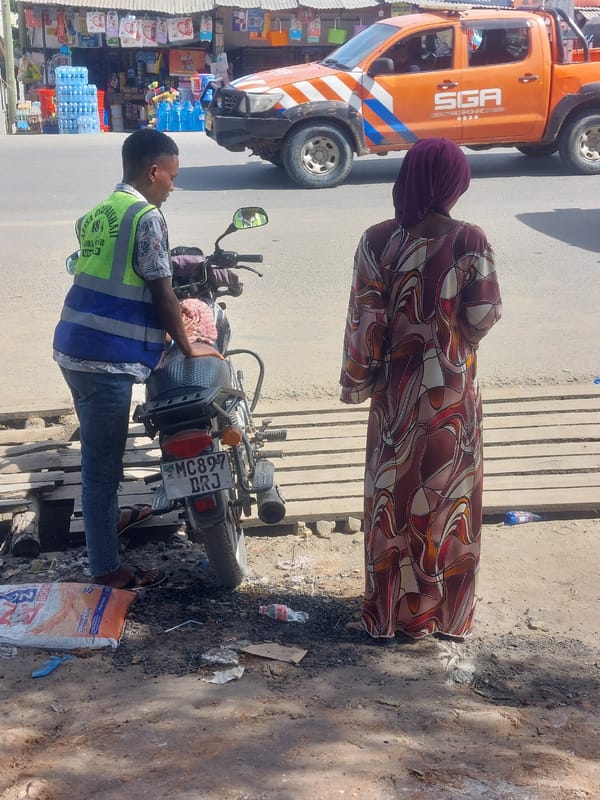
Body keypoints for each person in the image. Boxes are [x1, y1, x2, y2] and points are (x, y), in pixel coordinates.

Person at [339, 138, 502, 643]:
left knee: (392, 501)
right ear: (453, 183)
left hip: (396, 401)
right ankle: (445, 617)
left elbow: (366, 326)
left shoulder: (378, 240)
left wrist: (359, 380)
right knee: (449, 505)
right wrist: (449, 336)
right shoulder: (470, 240)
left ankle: (389, 616)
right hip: (451, 399)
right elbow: (483, 316)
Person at [53, 128, 221, 591]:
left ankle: (106, 529)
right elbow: (162, 292)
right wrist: (189, 343)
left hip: (73, 345)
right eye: (172, 176)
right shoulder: (146, 217)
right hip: (102, 358)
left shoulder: (98, 213)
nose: (173, 185)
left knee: (99, 455)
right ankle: (107, 569)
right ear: (153, 170)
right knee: (102, 466)